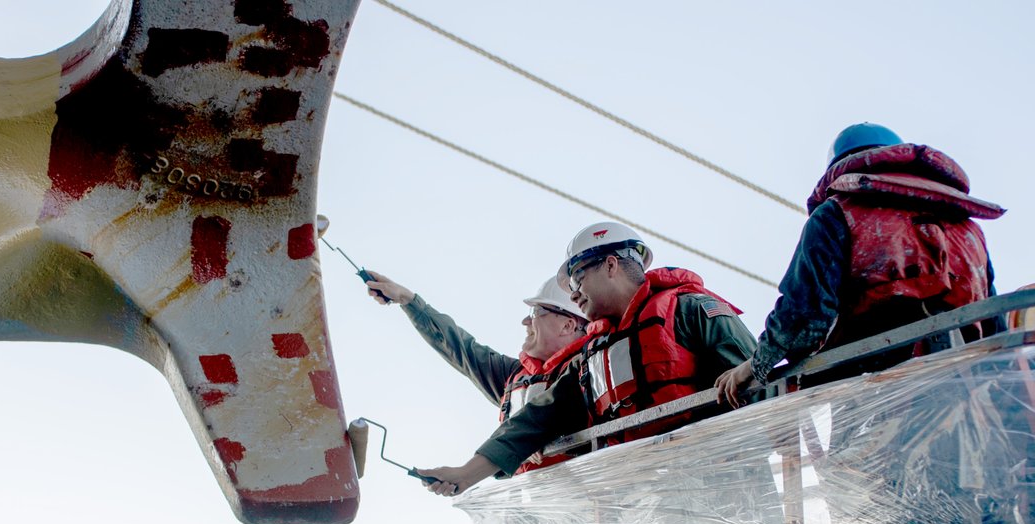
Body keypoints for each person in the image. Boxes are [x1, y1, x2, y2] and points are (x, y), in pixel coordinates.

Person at [418, 221, 756, 496]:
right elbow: (536, 419)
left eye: (578, 277)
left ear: (610, 265)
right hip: (647, 513)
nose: (575, 293)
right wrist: (466, 474)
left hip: (726, 496)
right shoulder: (592, 359)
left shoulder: (689, 310)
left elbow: (761, 381)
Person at [715, 122, 1005, 406]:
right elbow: (996, 329)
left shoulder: (837, 212)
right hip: (966, 389)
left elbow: (804, 319)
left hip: (877, 389)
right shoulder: (967, 229)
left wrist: (753, 366)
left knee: (864, 456)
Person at [363, 271, 588, 473]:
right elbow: (460, 348)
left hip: (585, 510)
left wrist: (536, 440)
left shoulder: (592, 371)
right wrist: (408, 300)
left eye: (536, 311)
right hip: (527, 512)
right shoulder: (514, 376)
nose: (525, 321)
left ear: (567, 325)